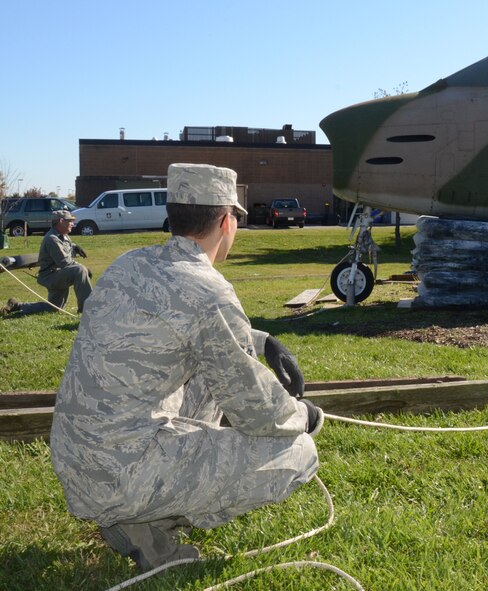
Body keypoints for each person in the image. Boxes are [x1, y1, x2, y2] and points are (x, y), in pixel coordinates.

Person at [50, 163, 322, 571]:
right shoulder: (209, 290)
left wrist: (263, 342)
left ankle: (142, 517)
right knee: (300, 453)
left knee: (212, 375)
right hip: (120, 474)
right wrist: (306, 416)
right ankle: (147, 520)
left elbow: (187, 331)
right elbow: (257, 410)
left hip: (76, 458)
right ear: (227, 221)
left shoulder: (131, 264)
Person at [1, 210, 92, 316]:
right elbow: (65, 263)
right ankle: (87, 310)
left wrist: (74, 246)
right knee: (79, 270)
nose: (72, 223)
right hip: (50, 276)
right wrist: (82, 267)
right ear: (61, 221)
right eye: (70, 221)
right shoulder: (52, 239)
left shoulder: (64, 236)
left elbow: (65, 249)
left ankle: (16, 305)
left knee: (53, 308)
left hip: (57, 274)